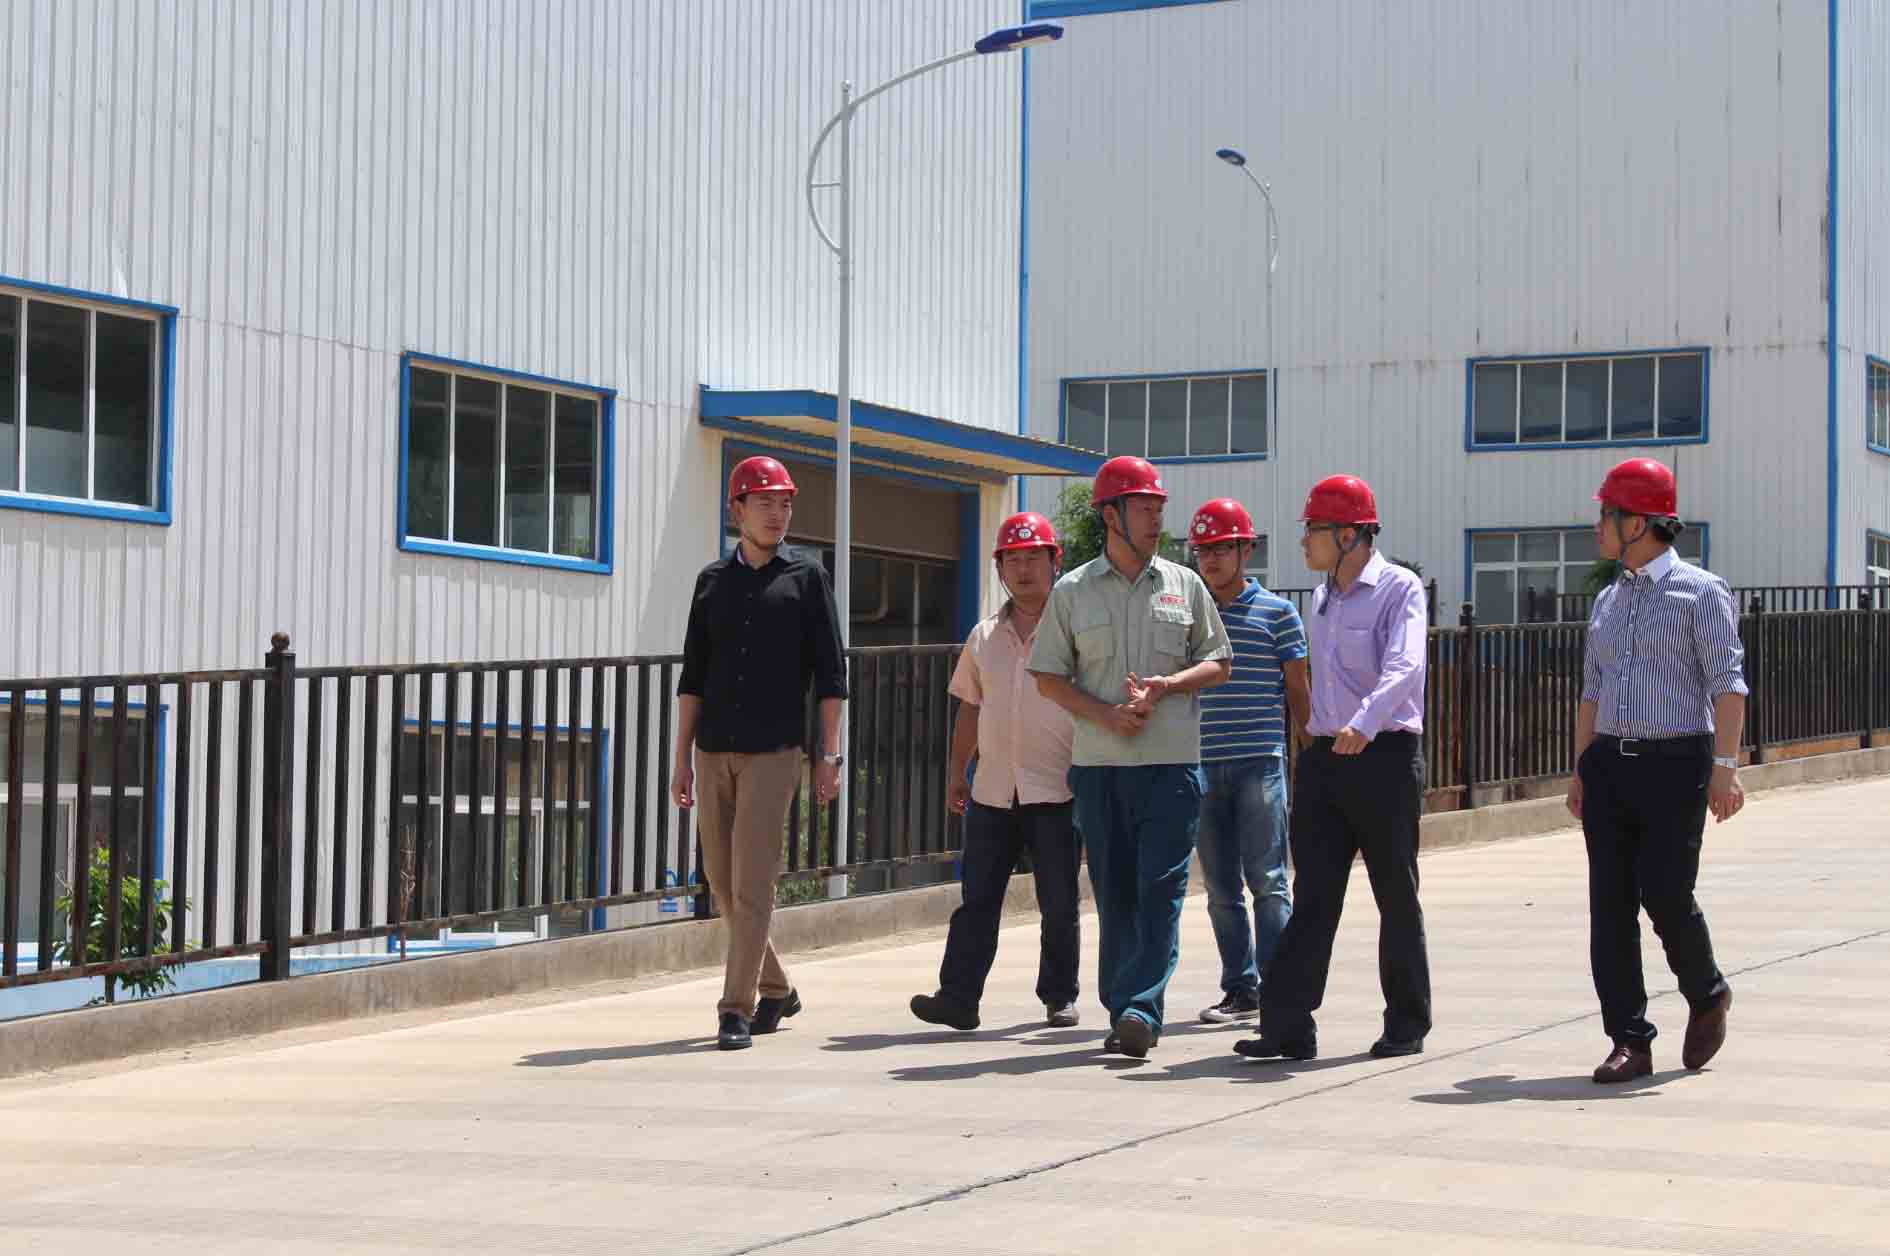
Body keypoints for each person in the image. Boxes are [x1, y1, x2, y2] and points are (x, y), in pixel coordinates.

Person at [1029, 456, 1231, 1059]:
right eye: (1144, 508)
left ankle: (1142, 1007)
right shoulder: (1072, 591)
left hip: (1171, 767)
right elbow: (1048, 677)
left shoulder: (1185, 584)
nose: (1156, 519)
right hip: (1100, 769)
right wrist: (1106, 714)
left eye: (1159, 508)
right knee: (1115, 893)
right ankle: (1123, 1010)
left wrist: (1168, 685)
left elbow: (1219, 661)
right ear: (1111, 516)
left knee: (1161, 890)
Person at [1236, 474, 1432, 1063]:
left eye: (1313, 530)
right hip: (1325, 760)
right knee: (1314, 894)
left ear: (1349, 535)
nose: (1304, 540)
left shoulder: (1400, 588)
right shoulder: (1322, 598)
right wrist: (1317, 739)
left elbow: (1405, 666)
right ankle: (1288, 1026)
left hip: (1383, 755)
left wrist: (1363, 724)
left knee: (1395, 893)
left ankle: (1406, 1023)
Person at [1566, 457, 1745, 1084]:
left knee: (1666, 894)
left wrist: (1725, 768)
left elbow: (1728, 684)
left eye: (1606, 515)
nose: (1597, 526)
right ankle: (1629, 1039)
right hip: (1609, 765)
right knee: (1609, 907)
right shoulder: (1608, 599)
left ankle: (1708, 993)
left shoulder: (1702, 592)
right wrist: (1581, 769)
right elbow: (1592, 690)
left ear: (1637, 522)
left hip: (1677, 762)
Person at [674, 455, 847, 1051]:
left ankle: (735, 1009)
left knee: (752, 883)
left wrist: (829, 755)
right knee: (721, 883)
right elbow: (692, 677)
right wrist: (680, 758)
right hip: (712, 749)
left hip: (774, 753)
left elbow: (832, 677)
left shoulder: (807, 580)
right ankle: (776, 987)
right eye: (765, 502)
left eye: (786, 503)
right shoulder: (711, 582)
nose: (778, 513)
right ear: (737, 509)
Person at [911, 512, 1081, 1032]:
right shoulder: (983, 635)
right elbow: (970, 707)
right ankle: (958, 998)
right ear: (1000, 568)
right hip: (992, 792)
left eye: (1033, 558)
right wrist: (957, 772)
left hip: (1058, 789)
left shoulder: (1076, 632)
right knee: (977, 901)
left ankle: (1059, 997)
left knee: (1059, 902)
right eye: (1013, 560)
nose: (1023, 569)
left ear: (1054, 562)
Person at [1186, 498, 1310, 1024]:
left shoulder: (1279, 614)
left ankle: (1279, 988)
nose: (1211, 560)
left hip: (1260, 760)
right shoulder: (1188, 618)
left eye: (1221, 548)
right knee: (1219, 888)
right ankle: (1241, 989)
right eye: (1203, 551)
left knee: (1269, 880)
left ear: (1247, 550)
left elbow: (1299, 692)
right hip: (1200, 765)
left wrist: (1310, 757)